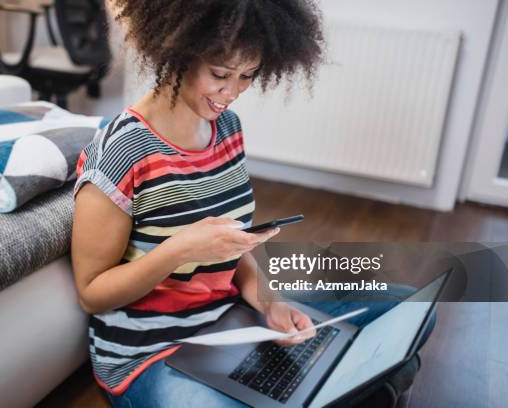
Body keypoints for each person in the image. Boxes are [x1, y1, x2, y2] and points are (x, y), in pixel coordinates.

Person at [71, 1, 433, 407]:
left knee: (407, 308)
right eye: (220, 74)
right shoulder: (123, 151)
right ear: (176, 52)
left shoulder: (226, 128)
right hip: (152, 349)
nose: (233, 92)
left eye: (248, 75)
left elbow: (231, 247)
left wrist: (271, 303)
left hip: (232, 319)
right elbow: (91, 293)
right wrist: (179, 250)